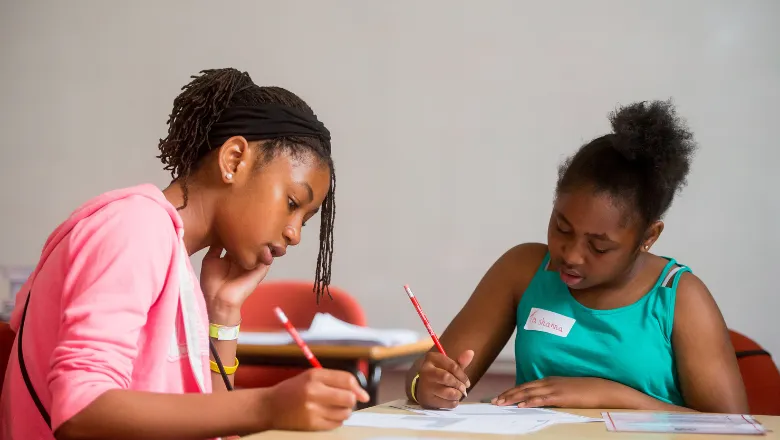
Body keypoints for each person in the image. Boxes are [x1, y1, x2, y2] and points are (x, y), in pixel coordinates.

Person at [0, 68, 368, 440]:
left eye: (304, 220)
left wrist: (223, 310)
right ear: (234, 159)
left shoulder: (173, 257)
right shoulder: (135, 227)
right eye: (292, 203)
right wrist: (267, 405)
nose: (294, 234)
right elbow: (80, 410)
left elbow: (216, 427)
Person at [405, 99, 749, 413]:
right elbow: (424, 376)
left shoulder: (681, 298)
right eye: (562, 228)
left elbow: (737, 430)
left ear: (648, 237)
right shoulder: (523, 270)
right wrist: (428, 385)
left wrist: (610, 395)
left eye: (599, 246)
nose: (571, 255)